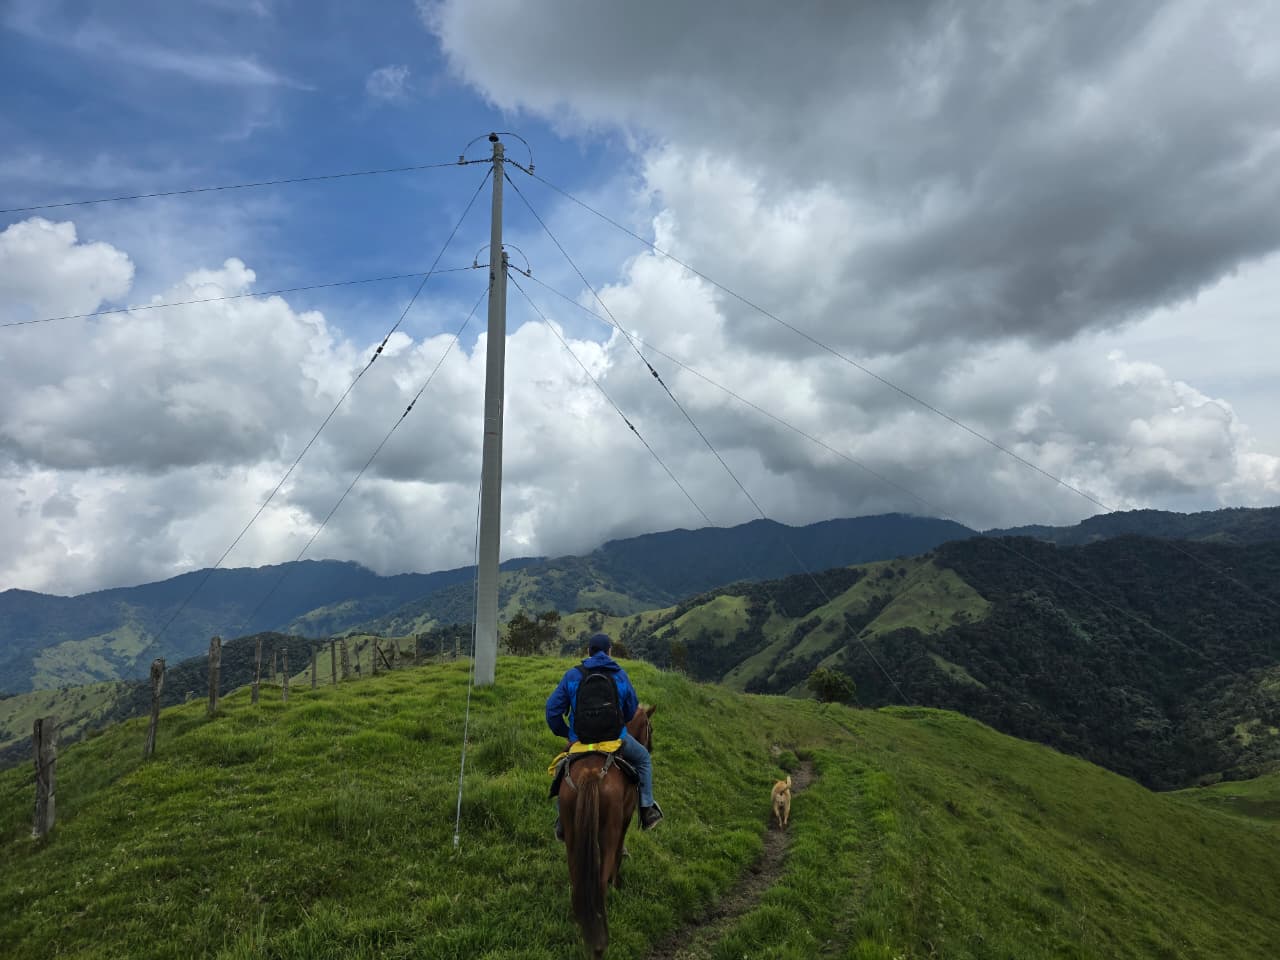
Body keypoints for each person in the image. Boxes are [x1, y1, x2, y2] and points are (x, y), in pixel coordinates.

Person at [545, 632, 664, 839]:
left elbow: (552, 711)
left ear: (588, 652)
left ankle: (563, 820)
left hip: (580, 741)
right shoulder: (620, 675)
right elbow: (630, 711)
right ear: (610, 652)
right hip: (614, 739)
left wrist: (568, 733)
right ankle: (647, 809)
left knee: (563, 768)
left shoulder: (573, 675)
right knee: (644, 759)